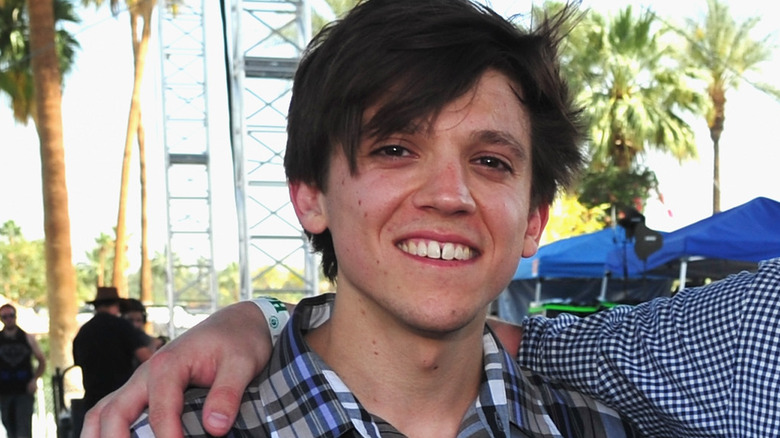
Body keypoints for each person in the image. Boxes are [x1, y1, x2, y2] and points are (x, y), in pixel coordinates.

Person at [132, 0, 643, 436]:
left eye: (491, 162)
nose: (449, 195)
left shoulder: (602, 425)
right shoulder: (178, 428)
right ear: (311, 196)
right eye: (395, 149)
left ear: (533, 219)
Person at [73, 287, 154, 436]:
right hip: (122, 398)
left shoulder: (84, 331)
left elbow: (79, 363)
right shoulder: (122, 326)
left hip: (93, 400)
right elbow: (147, 359)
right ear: (116, 305)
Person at [0, 303, 46, 438]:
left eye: (11, 315)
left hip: (24, 389)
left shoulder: (27, 338)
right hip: (4, 390)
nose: (8, 319)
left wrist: (34, 379)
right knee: (9, 426)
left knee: (23, 428)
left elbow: (42, 360)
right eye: (5, 316)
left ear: (15, 316)